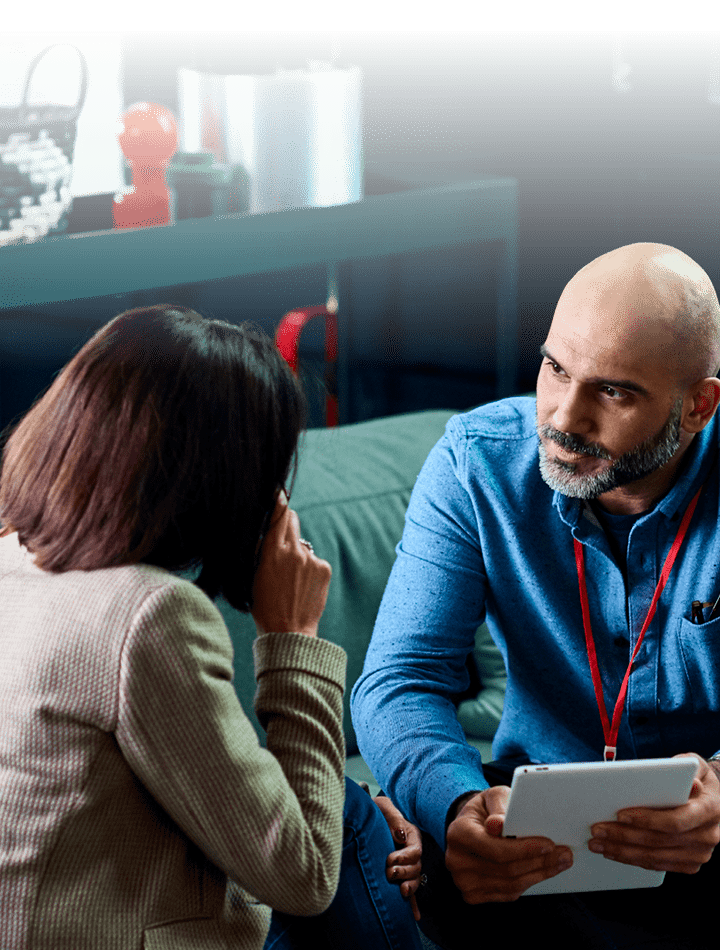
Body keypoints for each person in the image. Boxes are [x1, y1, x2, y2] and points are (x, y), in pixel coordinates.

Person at [0, 305, 422, 949]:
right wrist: (294, 637)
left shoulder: (13, 562)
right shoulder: (145, 615)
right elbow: (304, 875)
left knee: (347, 806)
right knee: (346, 820)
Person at [351, 243, 720, 949]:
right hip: (531, 844)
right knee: (355, 863)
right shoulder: (476, 462)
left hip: (706, 844)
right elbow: (398, 683)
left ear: (698, 405)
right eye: (555, 368)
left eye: (613, 391)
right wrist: (458, 806)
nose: (564, 417)